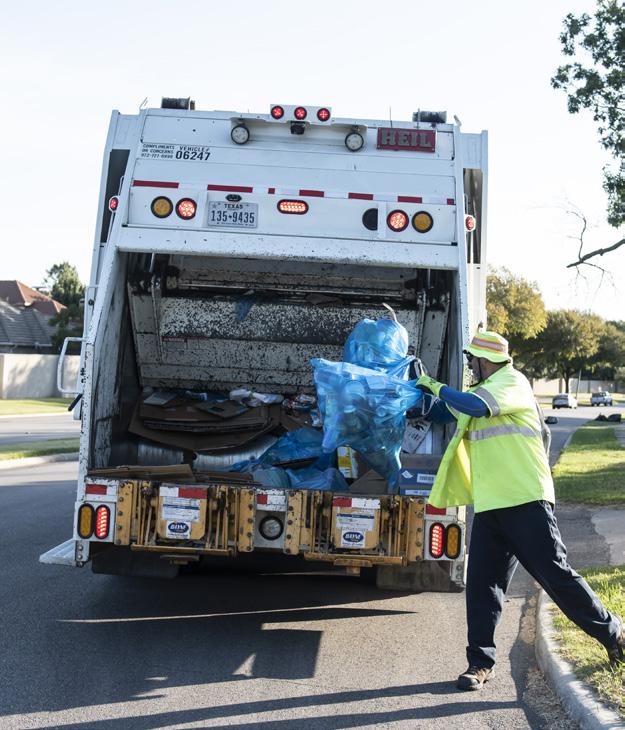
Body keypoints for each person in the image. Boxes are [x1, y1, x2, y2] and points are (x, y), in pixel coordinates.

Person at [416, 329, 624, 691]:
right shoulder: (484, 389)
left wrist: (434, 385)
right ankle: (480, 663)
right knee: (482, 586)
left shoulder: (511, 383)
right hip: (491, 505)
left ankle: (615, 634)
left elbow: (473, 406)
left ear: (485, 360)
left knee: (556, 577)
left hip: (527, 501)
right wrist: (407, 395)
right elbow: (443, 411)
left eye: (471, 359)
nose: (469, 365)